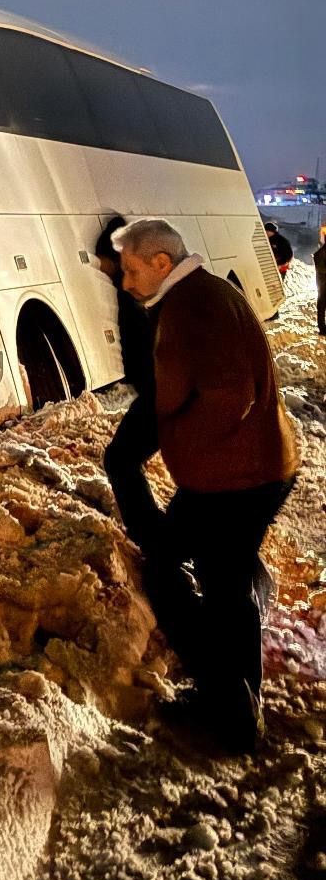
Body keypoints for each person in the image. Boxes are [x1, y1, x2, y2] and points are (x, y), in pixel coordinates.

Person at [111, 218, 299, 752]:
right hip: (247, 470)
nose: (124, 282)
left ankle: (230, 709)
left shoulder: (199, 306)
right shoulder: (197, 294)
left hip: (239, 478)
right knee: (219, 579)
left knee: (194, 579)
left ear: (161, 264)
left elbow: (230, 392)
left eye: (130, 270)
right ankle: (236, 701)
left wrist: (177, 441)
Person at [97, 215, 162, 554]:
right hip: (159, 391)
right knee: (122, 458)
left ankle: (154, 545)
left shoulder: (142, 299)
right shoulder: (142, 293)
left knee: (120, 459)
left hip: (163, 393)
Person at [315, 225, 326, 337]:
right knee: (322, 307)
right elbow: (321, 269)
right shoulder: (322, 252)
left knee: (322, 307)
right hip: (323, 286)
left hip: (323, 285)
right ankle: (322, 328)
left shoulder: (321, 252)